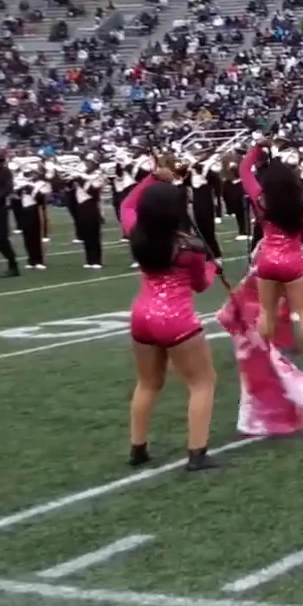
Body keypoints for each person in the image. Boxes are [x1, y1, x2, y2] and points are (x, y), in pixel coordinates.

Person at [121, 167, 222, 472]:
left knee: (148, 384)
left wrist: (152, 178)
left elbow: (126, 204)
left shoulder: (135, 232)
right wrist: (212, 268)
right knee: (202, 383)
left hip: (141, 315)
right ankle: (197, 453)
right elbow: (200, 285)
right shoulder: (190, 247)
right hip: (176, 319)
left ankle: (137, 449)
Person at [240, 144, 303, 372]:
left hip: (267, 260)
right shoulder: (301, 209)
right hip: (294, 262)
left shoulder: (261, 201)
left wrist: (257, 149)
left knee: (267, 310)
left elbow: (244, 170)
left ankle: (263, 356)